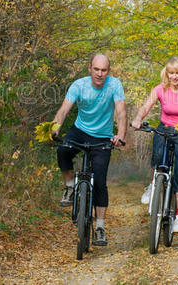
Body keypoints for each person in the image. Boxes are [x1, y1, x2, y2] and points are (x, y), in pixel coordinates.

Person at [52, 53, 127, 246]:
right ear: (89, 69)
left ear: (108, 71)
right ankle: (69, 186)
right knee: (62, 151)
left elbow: (121, 112)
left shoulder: (114, 85)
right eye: (96, 69)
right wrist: (54, 127)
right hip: (79, 131)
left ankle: (100, 227)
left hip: (103, 136)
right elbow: (64, 109)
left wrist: (120, 135)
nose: (100, 74)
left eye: (103, 70)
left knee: (100, 181)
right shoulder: (79, 85)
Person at [130, 56, 178, 235]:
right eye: (171, 73)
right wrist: (137, 119)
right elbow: (145, 107)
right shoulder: (159, 89)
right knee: (157, 158)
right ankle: (152, 185)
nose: (174, 77)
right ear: (166, 73)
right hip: (164, 129)